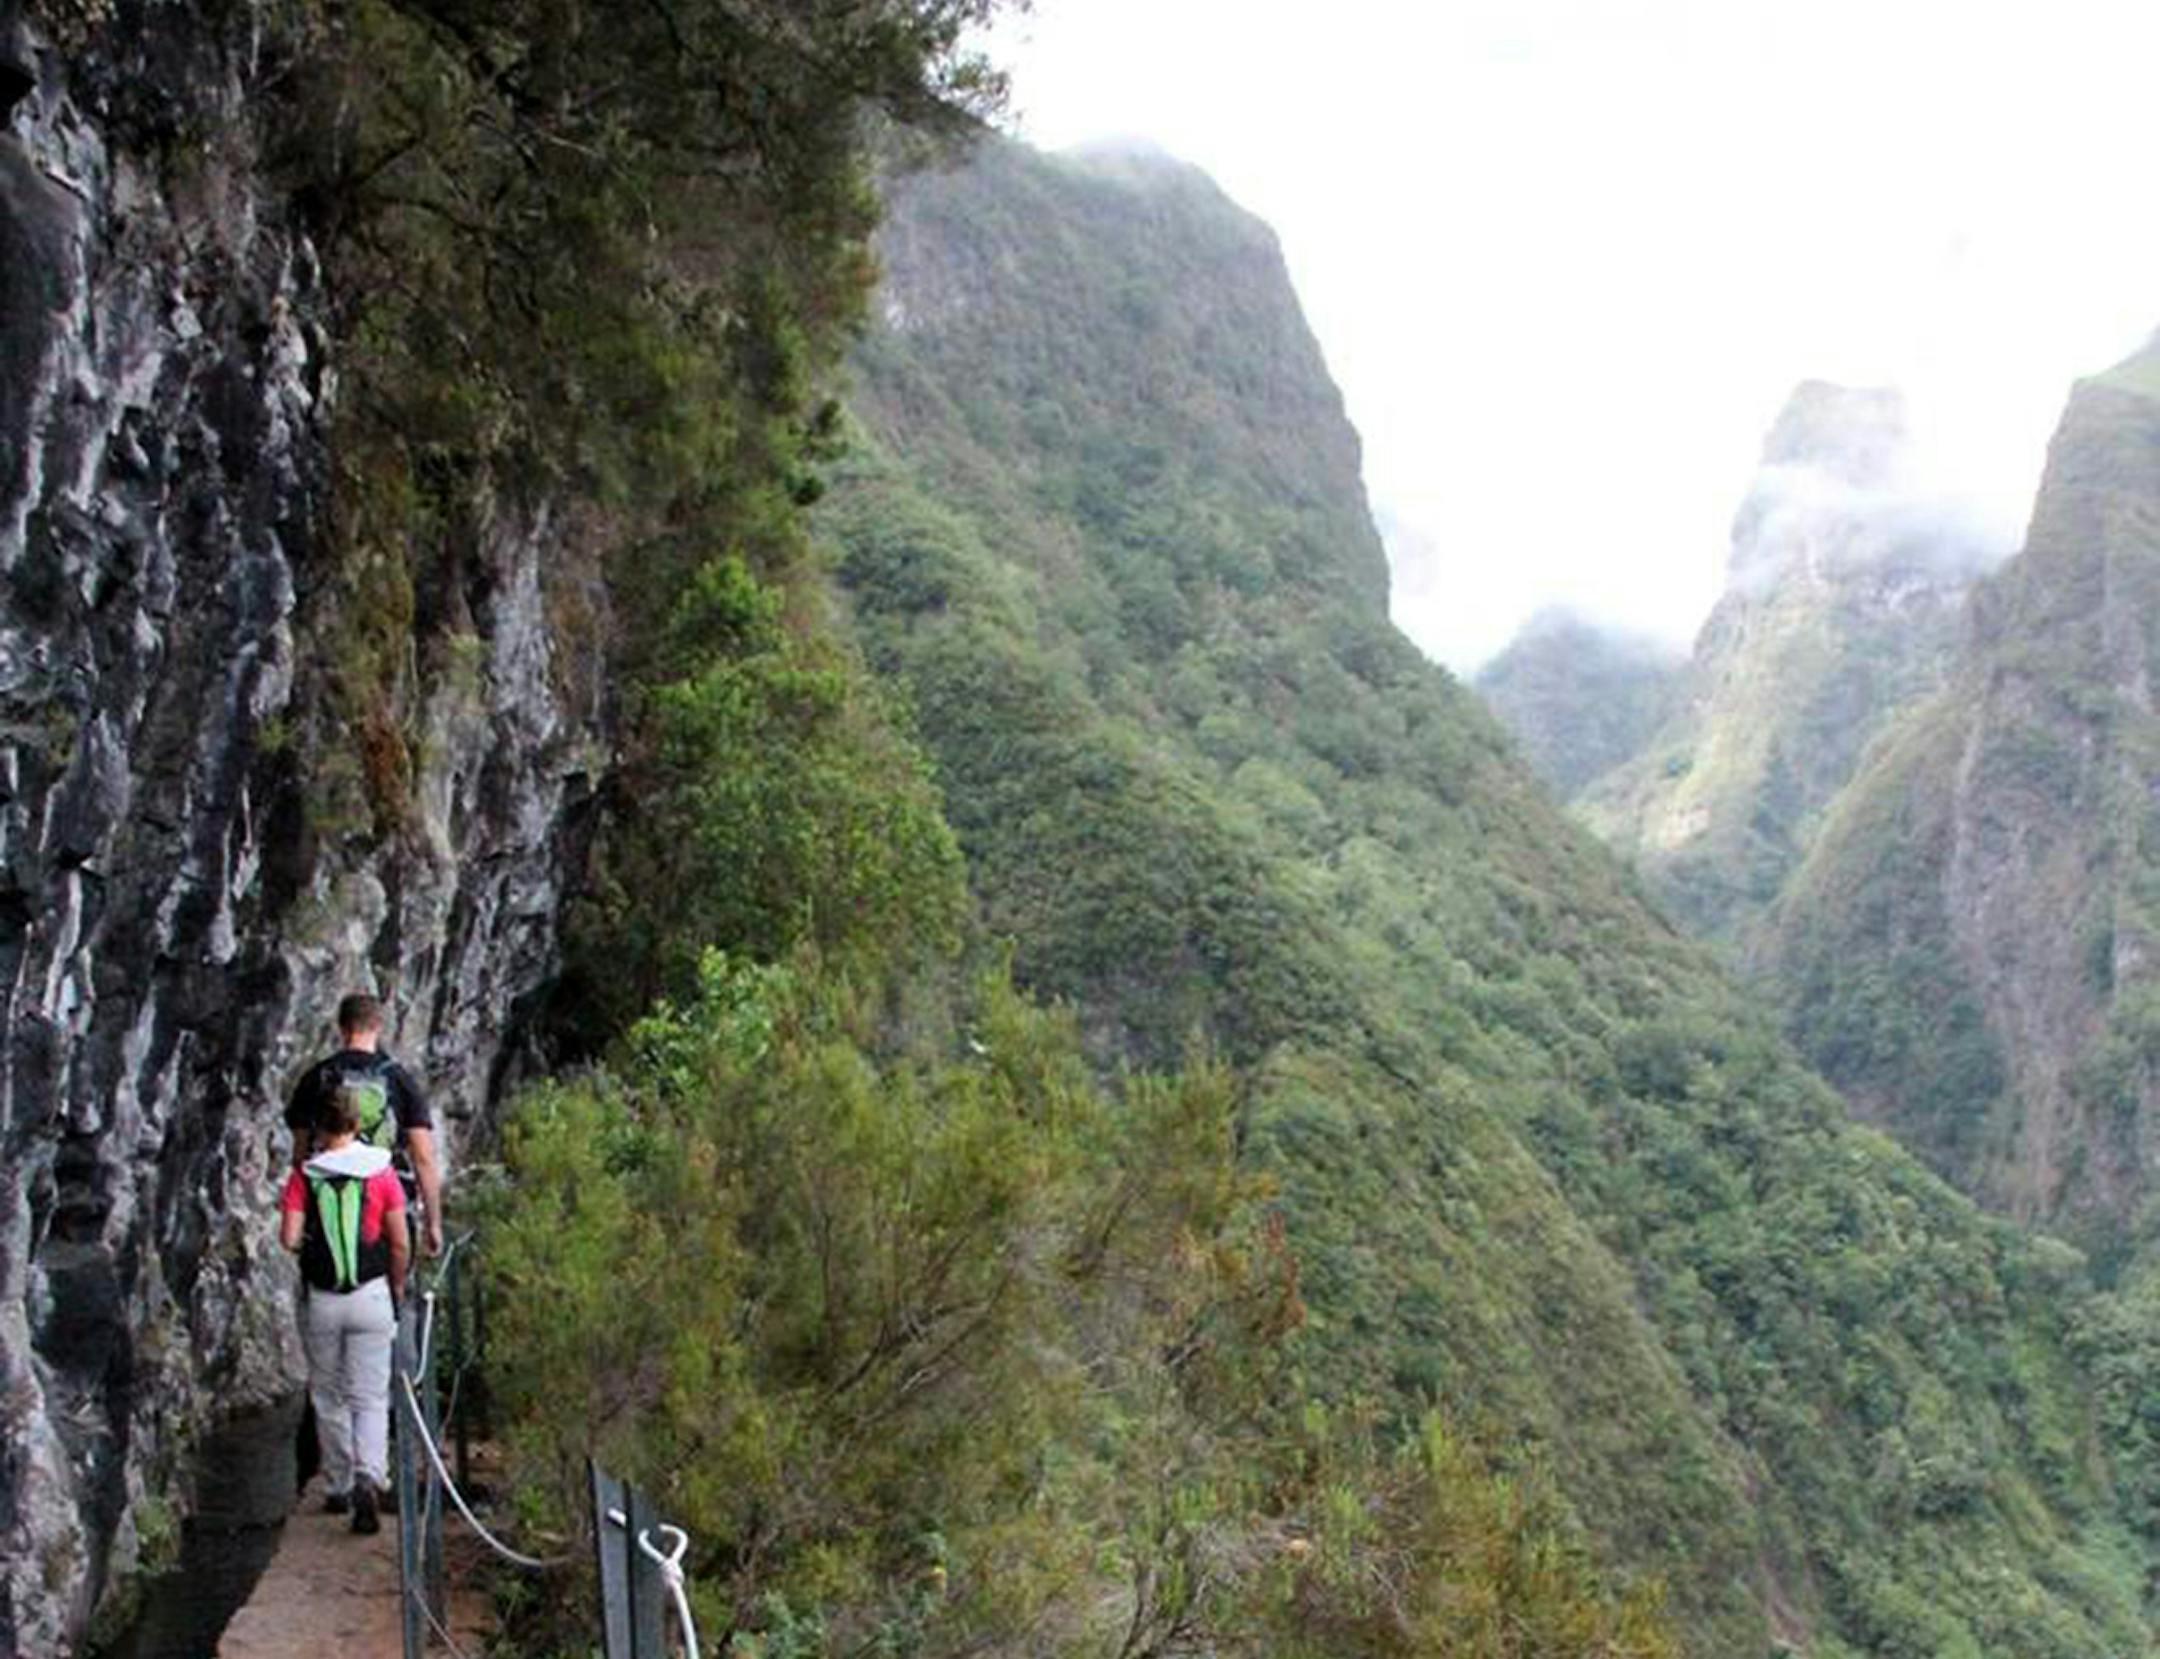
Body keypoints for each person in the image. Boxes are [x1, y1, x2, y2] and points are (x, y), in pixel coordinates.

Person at [280, 1082, 410, 1534]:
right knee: (371, 1397)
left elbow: (288, 1239)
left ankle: (336, 1483)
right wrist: (397, 1285)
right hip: (372, 1295)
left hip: (324, 1301)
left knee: (328, 1395)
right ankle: (369, 1476)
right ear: (356, 1124)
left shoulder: (306, 1176)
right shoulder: (382, 1173)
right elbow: (399, 1241)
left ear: (319, 1126)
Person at [287, 993, 444, 1257]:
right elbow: (423, 1157)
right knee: (389, 1290)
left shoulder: (315, 1079)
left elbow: (300, 1156)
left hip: (328, 1212)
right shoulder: (400, 1081)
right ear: (378, 1026)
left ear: (341, 1027)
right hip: (387, 1209)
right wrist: (433, 1222)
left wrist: (299, 1212)